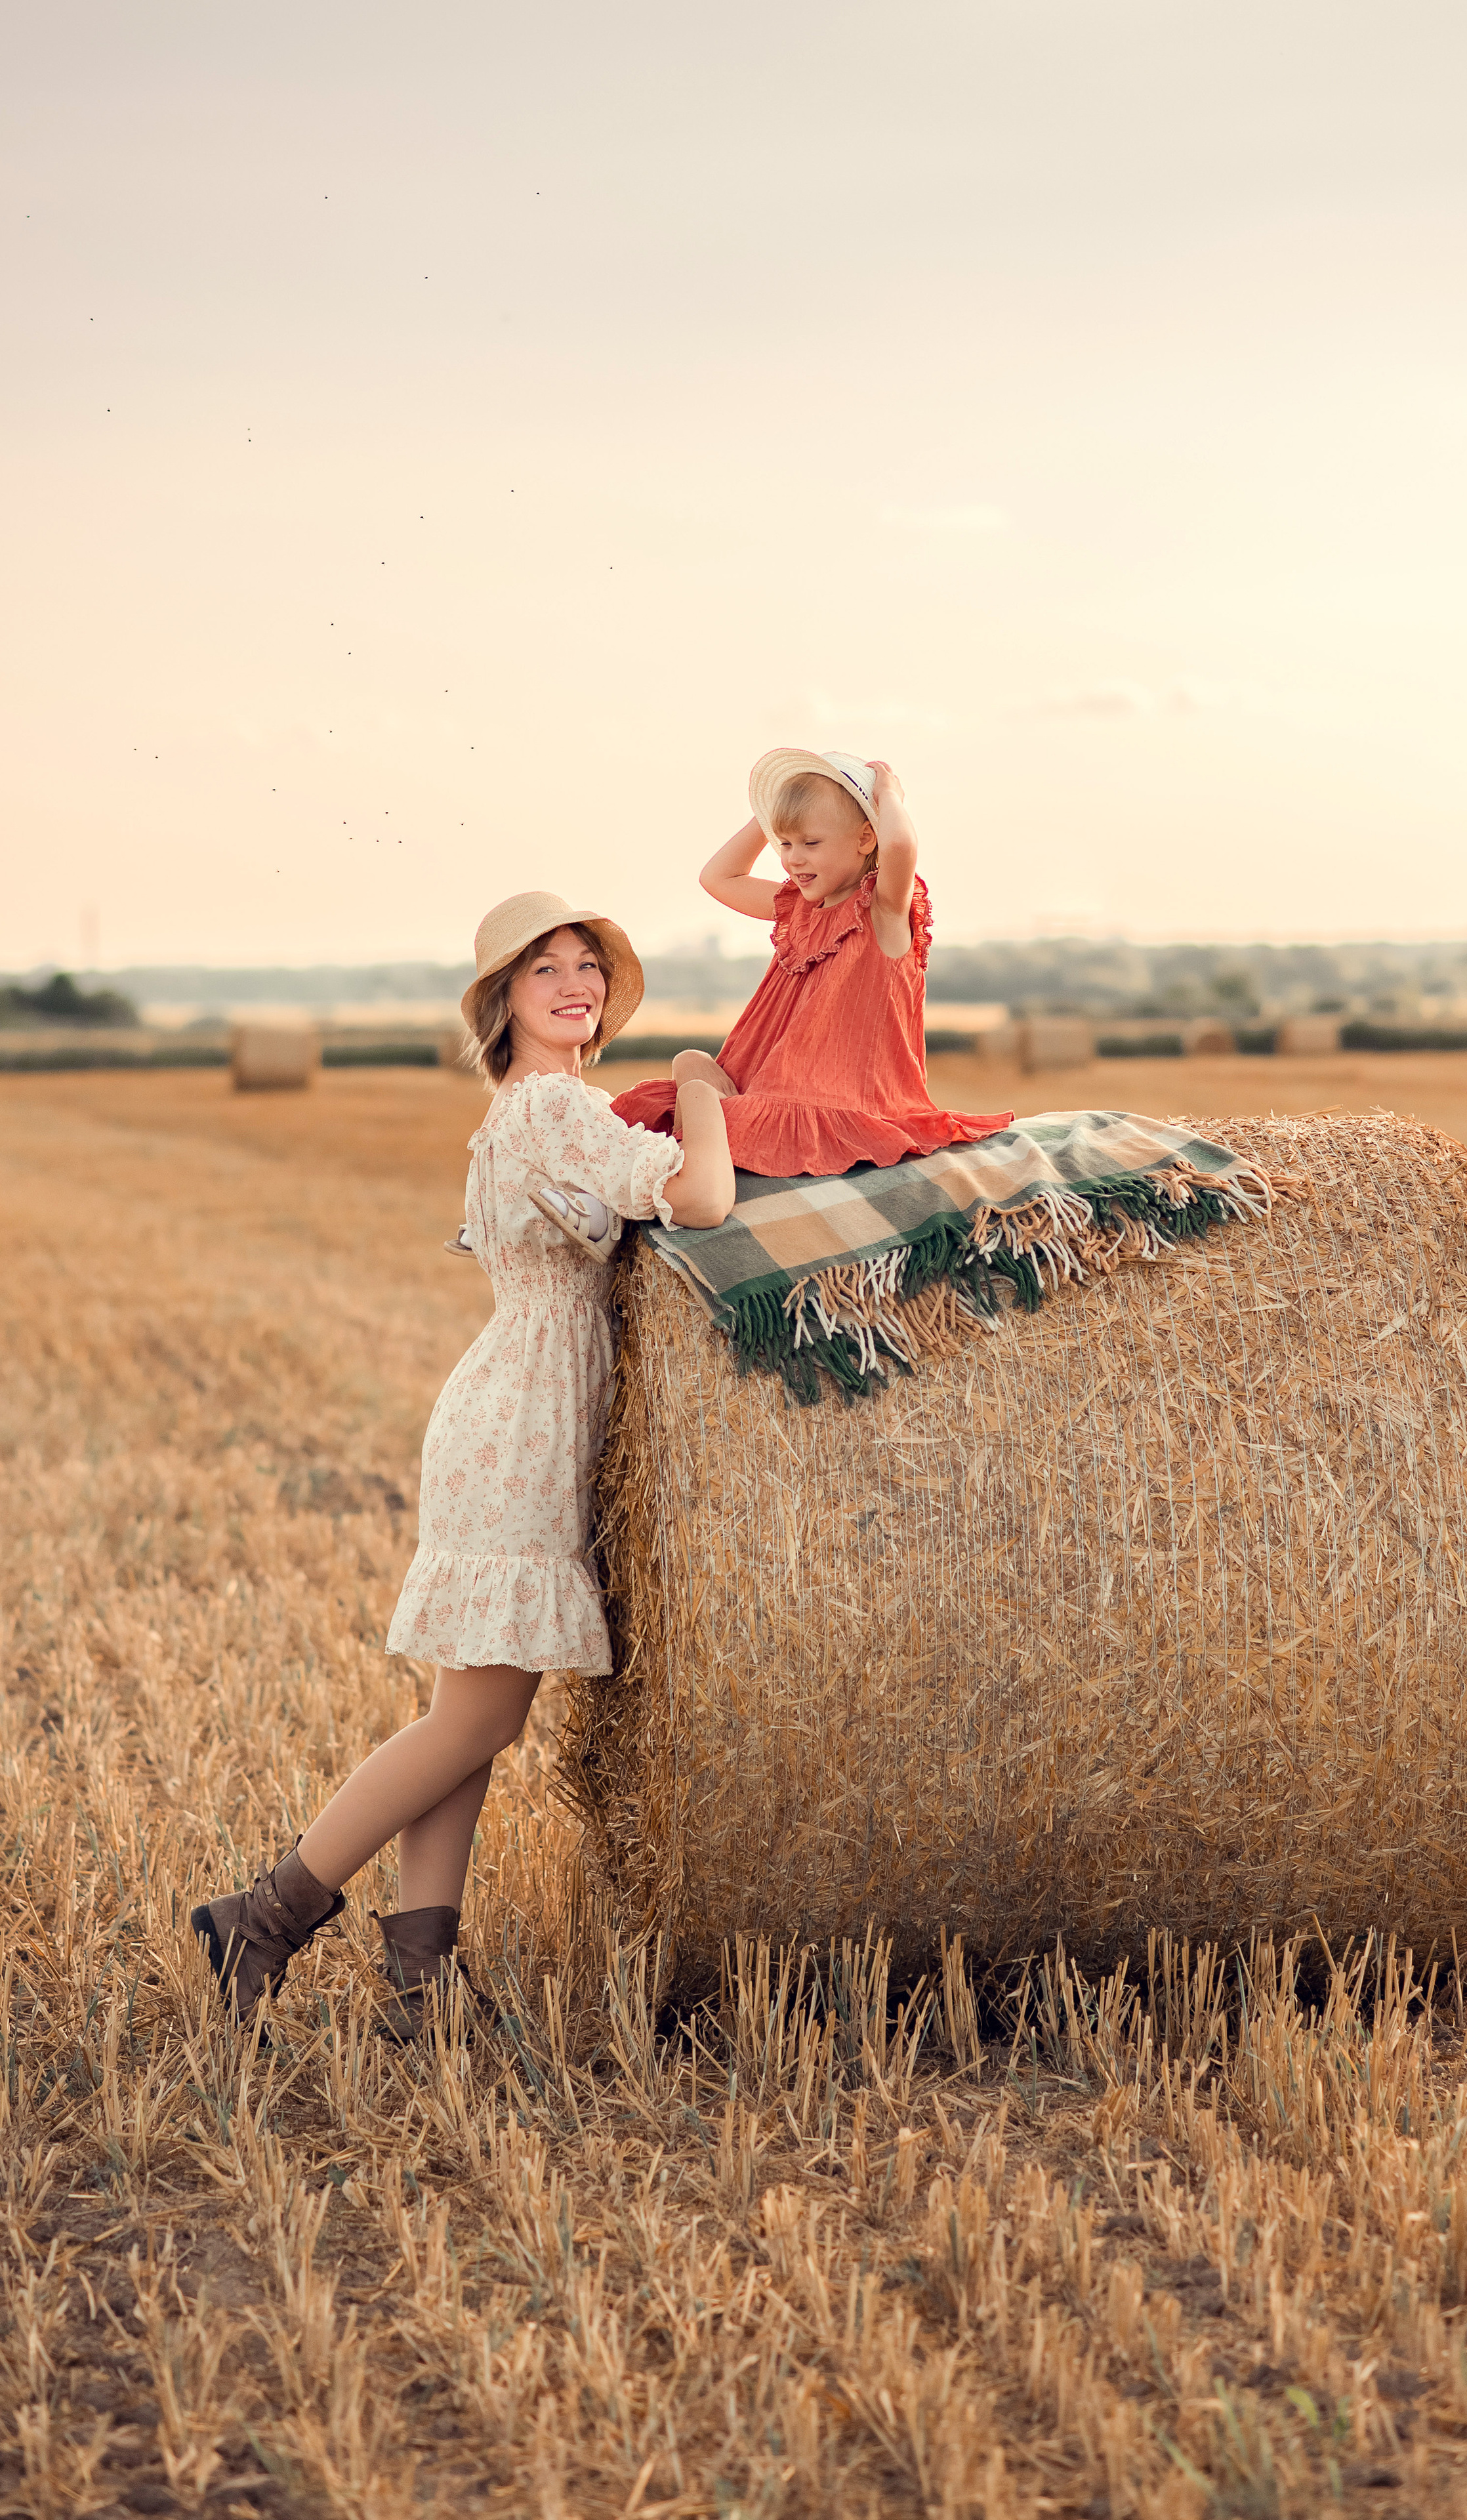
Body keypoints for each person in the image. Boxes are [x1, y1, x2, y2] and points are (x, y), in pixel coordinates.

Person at [191, 891, 734, 2038]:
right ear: (506, 1001)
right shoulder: (547, 1106)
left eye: (589, 966)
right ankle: (265, 1915)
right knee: (472, 1726)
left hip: (513, 1415)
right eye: (547, 972)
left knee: (471, 1724)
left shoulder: (537, 1108)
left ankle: (419, 1987)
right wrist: (700, 1083)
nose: (576, 985)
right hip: (519, 1433)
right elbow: (704, 1195)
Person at [610, 749, 1012, 1176]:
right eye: (785, 844)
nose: (792, 859)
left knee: (688, 1113)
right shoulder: (798, 908)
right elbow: (718, 877)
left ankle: (693, 1175)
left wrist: (889, 794)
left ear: (864, 839)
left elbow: (899, 844)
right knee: (690, 1062)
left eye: (811, 843)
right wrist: (773, 818)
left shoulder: (884, 911)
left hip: (834, 1102)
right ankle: (692, 1161)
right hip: (763, 1091)